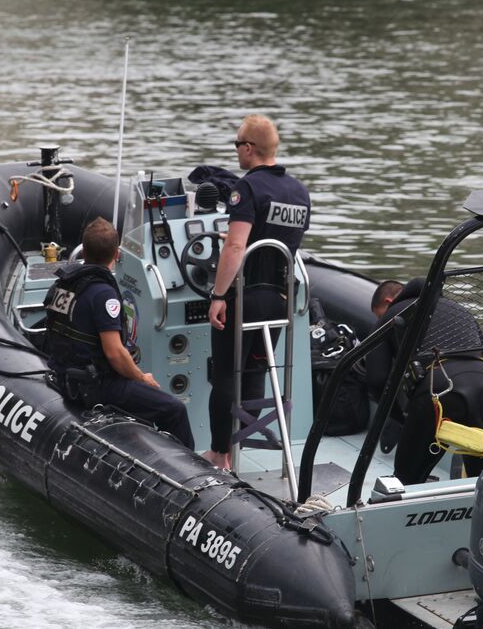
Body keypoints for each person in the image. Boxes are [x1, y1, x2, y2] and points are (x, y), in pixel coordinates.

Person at [203, 115, 311, 470]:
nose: (236, 151)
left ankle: (220, 453)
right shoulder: (299, 192)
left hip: (245, 297)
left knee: (224, 375)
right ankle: (246, 447)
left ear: (248, 148)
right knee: (255, 371)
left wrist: (218, 296)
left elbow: (236, 248)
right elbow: (280, 241)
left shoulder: (246, 188)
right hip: (280, 299)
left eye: (237, 144)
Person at [44, 217, 194, 448]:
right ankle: (189, 473)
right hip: (96, 386)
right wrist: (141, 378)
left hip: (65, 375)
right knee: (174, 409)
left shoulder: (67, 282)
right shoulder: (103, 294)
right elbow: (114, 353)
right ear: (116, 254)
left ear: (84, 250)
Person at [365, 277, 483, 484]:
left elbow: (377, 380)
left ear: (387, 302)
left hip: (440, 391)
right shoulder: (459, 309)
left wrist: (403, 417)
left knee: (407, 481)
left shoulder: (395, 314)